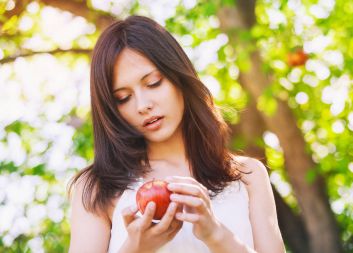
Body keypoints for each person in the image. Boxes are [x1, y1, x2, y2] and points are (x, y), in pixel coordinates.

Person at [68, 15, 285, 253]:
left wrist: (215, 235)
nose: (142, 105)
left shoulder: (246, 176)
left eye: (153, 83)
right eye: (123, 98)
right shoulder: (98, 188)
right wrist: (135, 248)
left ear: (178, 77)